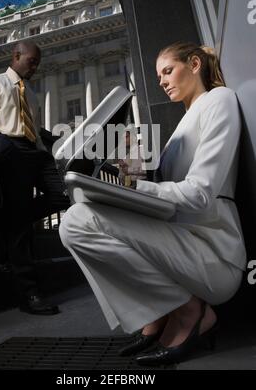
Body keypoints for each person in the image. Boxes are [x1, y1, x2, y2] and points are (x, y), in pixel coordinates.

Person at [58, 41, 247, 365]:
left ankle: (189, 311)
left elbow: (199, 195)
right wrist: (122, 181)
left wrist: (136, 186)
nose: (161, 80)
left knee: (78, 221)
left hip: (214, 254)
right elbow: (164, 200)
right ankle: (158, 314)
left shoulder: (219, 100)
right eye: (158, 75)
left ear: (195, 64)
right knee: (75, 220)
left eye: (168, 70)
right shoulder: (177, 134)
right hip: (183, 248)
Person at [0, 40, 70, 315]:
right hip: (9, 151)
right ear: (16, 56)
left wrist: (46, 146)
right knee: (20, 227)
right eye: (31, 61)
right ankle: (30, 294)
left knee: (61, 196)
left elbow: (32, 127)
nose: (34, 67)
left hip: (35, 153)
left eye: (37, 63)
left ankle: (8, 217)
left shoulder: (31, 94)